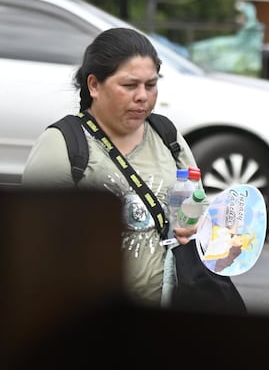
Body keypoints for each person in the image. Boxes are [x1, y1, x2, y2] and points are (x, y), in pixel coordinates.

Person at [22, 27, 198, 308]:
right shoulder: (63, 144)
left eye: (150, 85)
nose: (142, 96)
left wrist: (196, 226)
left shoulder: (167, 135)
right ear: (94, 85)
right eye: (130, 86)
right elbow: (30, 245)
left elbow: (195, 203)